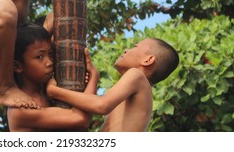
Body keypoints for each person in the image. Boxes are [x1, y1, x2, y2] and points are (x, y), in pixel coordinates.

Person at [46, 38, 179, 131]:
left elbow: (101, 105)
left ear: (148, 60)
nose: (127, 49)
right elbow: (95, 105)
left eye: (135, 46)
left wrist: (54, 91)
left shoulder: (136, 75)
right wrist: (94, 77)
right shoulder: (142, 89)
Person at [7, 22, 94, 131]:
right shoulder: (21, 109)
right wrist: (94, 77)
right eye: (39, 57)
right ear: (17, 66)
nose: (49, 62)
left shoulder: (46, 90)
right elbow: (81, 119)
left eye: (50, 54)